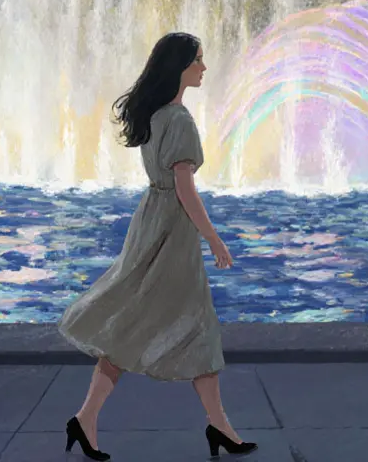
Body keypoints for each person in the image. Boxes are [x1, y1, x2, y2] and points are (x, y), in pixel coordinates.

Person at [58, 32, 257, 460]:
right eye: (199, 61)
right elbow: (185, 190)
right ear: (180, 67)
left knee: (134, 322)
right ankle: (217, 428)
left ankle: (89, 418)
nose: (205, 68)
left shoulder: (154, 114)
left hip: (150, 220)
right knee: (196, 325)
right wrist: (214, 238)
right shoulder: (180, 120)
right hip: (173, 231)